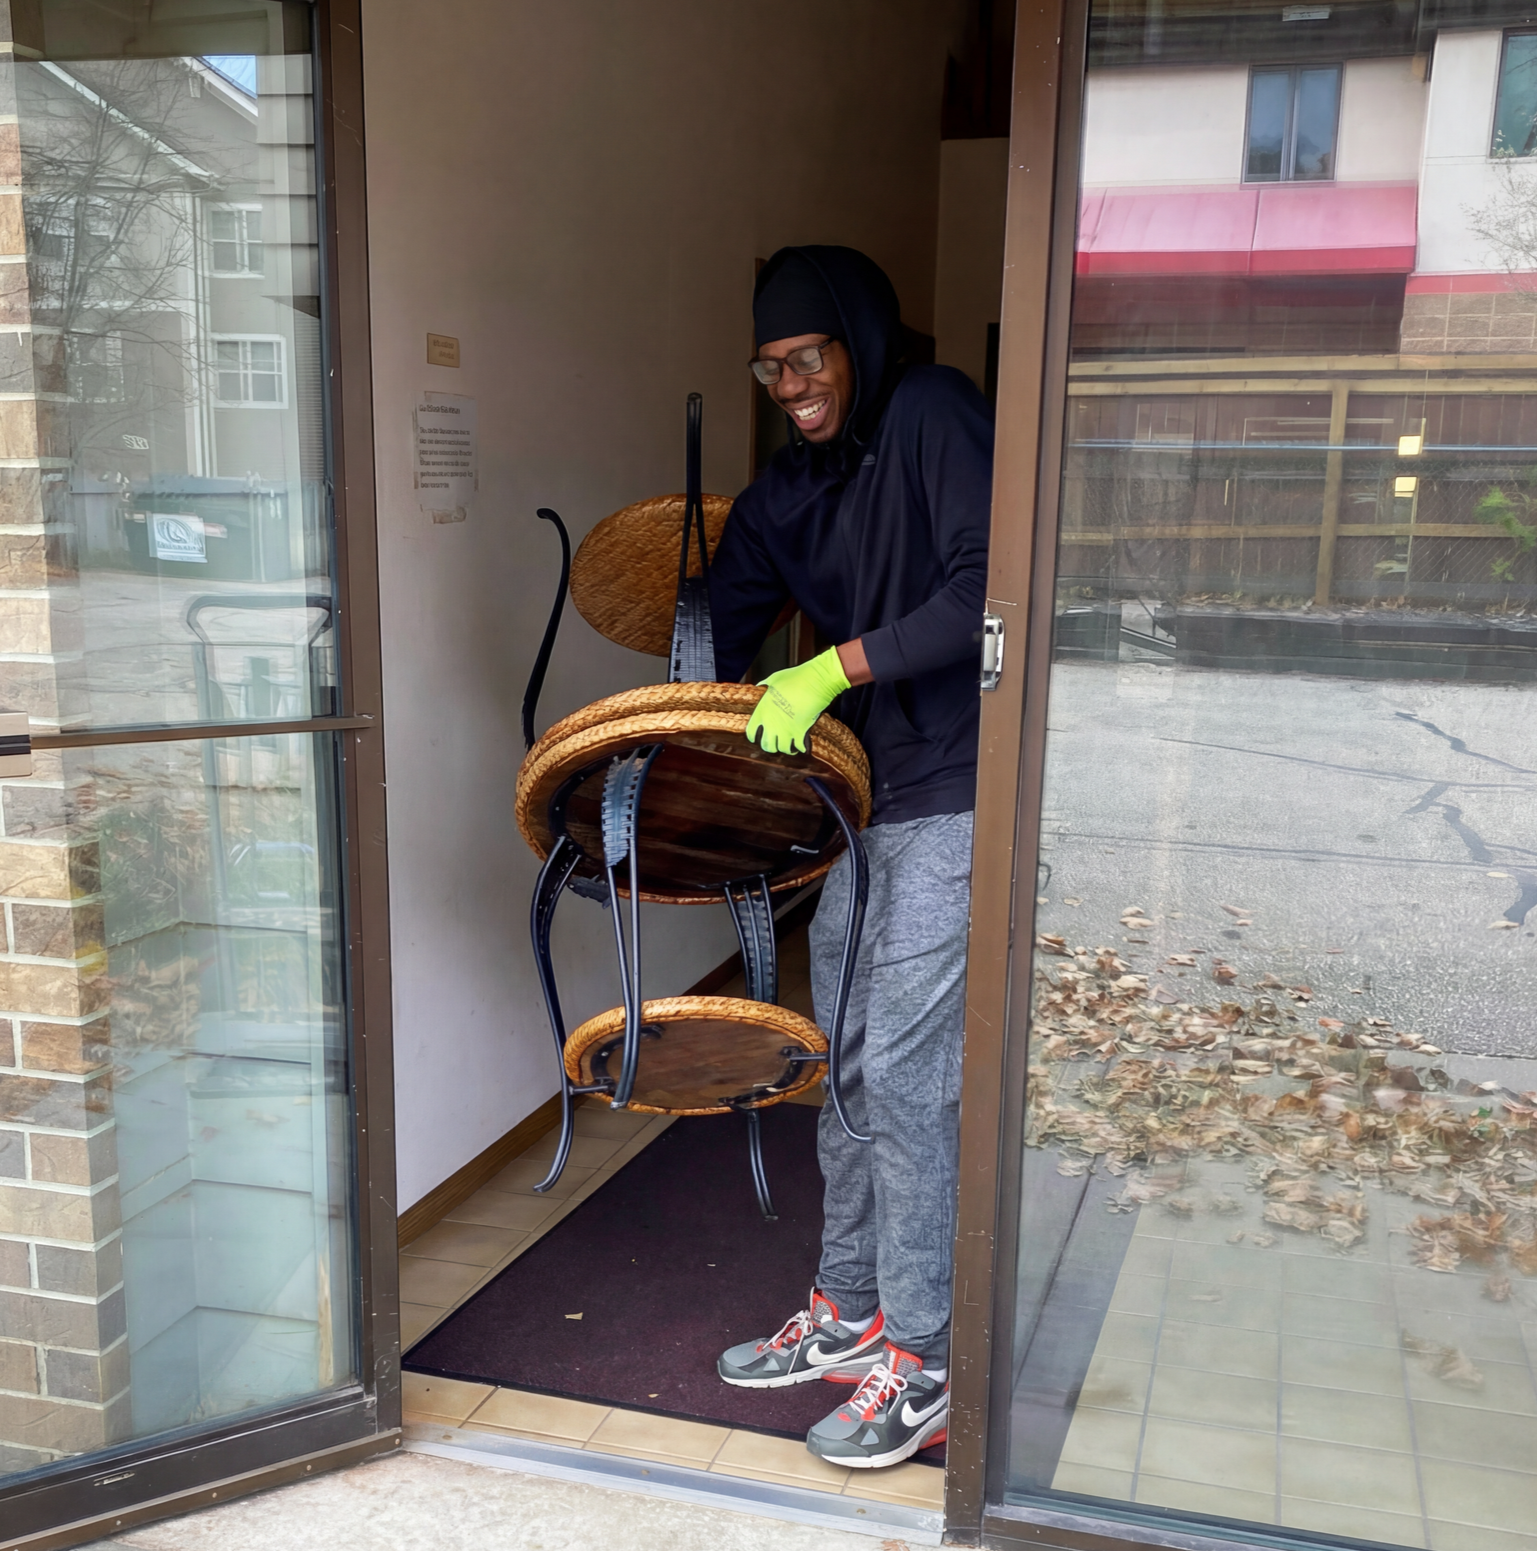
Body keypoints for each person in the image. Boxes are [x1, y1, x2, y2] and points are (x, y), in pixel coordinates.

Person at [707, 246, 993, 1469]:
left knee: (914, 1077)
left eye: (805, 357)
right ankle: (849, 1306)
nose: (788, 383)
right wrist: (687, 713)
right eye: (768, 367)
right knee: (852, 1061)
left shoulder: (932, 413)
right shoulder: (791, 487)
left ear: (855, 342)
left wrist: (834, 664)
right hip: (862, 805)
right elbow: (723, 608)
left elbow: (988, 593)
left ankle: (921, 1361)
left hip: (955, 787)